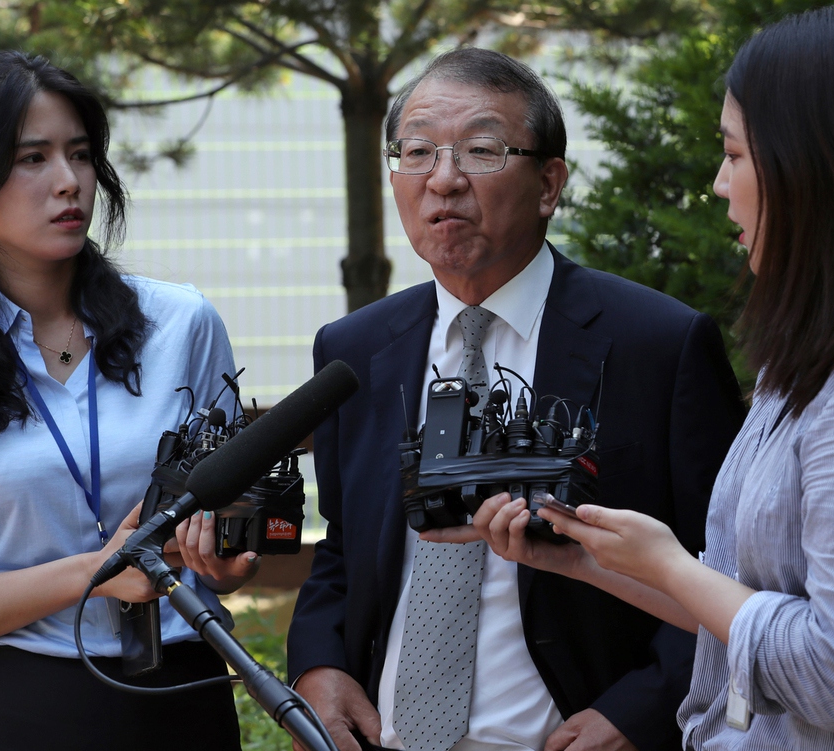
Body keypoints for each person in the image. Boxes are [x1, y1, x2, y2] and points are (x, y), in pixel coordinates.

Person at [286, 48, 746, 751]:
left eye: (481, 149)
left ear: (548, 183)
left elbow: (728, 567)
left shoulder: (658, 344)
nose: (442, 179)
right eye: (416, 151)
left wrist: (642, 708)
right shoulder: (355, 348)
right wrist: (319, 663)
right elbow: (344, 550)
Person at [472, 6, 834, 749]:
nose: (716, 184)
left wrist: (669, 561)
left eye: (733, 155)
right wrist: (588, 560)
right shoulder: (804, 364)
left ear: (812, 167)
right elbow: (747, 608)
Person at [0, 51, 259, 751]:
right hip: (21, 702)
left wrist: (228, 562)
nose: (69, 182)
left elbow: (232, 537)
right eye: (32, 158)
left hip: (185, 689)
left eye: (80, 154)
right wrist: (99, 575)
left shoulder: (183, 324)